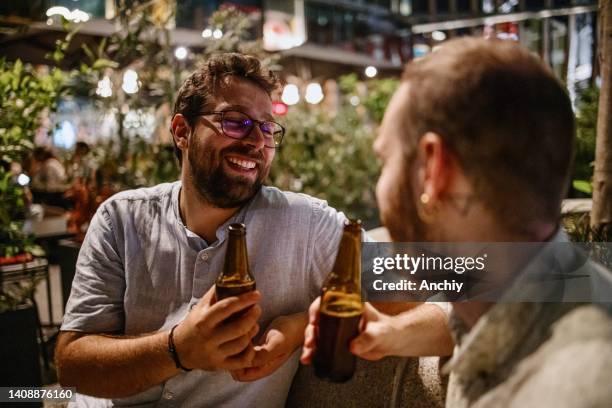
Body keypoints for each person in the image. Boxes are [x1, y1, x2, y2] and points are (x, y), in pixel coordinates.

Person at [55, 53, 451, 407]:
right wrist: (178, 350)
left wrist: (301, 325)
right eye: (235, 121)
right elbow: (71, 365)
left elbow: (443, 302)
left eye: (266, 129)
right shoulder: (121, 219)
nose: (255, 142)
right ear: (181, 131)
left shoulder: (309, 226)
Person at [302, 37, 612, 407]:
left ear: (433, 170)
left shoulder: (573, 390)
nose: (379, 187)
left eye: (386, 161)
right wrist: (390, 333)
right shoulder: (550, 282)